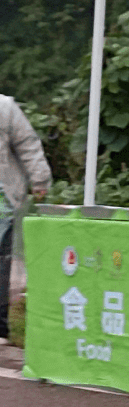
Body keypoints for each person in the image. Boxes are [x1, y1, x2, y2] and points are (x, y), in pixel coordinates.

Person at [0, 94, 52, 346]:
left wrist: (40, 179)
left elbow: (27, 143)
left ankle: (0, 326)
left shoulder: (4, 107)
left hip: (3, 198)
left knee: (2, 260)